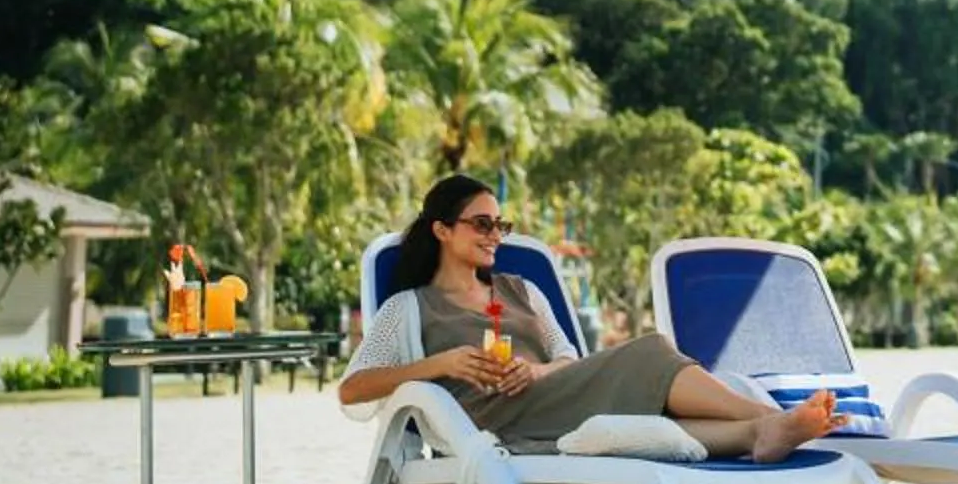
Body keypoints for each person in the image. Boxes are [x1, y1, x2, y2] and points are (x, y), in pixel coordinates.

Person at [338, 174, 838, 460]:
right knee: (649, 350)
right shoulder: (409, 307)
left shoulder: (522, 290)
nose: (495, 234)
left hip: (554, 395)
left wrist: (536, 371)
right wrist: (441, 364)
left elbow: (567, 359)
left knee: (653, 407)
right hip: (492, 424)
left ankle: (761, 432)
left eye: (501, 225)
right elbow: (353, 389)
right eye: (482, 224)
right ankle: (774, 418)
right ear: (443, 230)